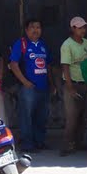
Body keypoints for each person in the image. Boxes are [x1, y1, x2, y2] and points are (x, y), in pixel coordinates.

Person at [8, 19, 52, 153]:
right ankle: (27, 143)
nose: (35, 30)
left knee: (41, 115)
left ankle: (39, 141)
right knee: (26, 116)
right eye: (32, 27)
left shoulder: (43, 45)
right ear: (26, 30)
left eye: (38, 27)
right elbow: (13, 64)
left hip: (43, 87)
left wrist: (52, 83)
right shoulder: (21, 43)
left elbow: (48, 65)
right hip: (28, 88)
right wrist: (25, 82)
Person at [59, 16, 87, 156]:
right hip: (72, 83)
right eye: (80, 28)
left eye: (84, 27)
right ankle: (66, 145)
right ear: (73, 28)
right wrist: (70, 86)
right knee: (72, 117)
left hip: (84, 82)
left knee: (83, 116)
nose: (83, 30)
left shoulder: (86, 43)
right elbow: (65, 66)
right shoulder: (67, 45)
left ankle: (79, 142)